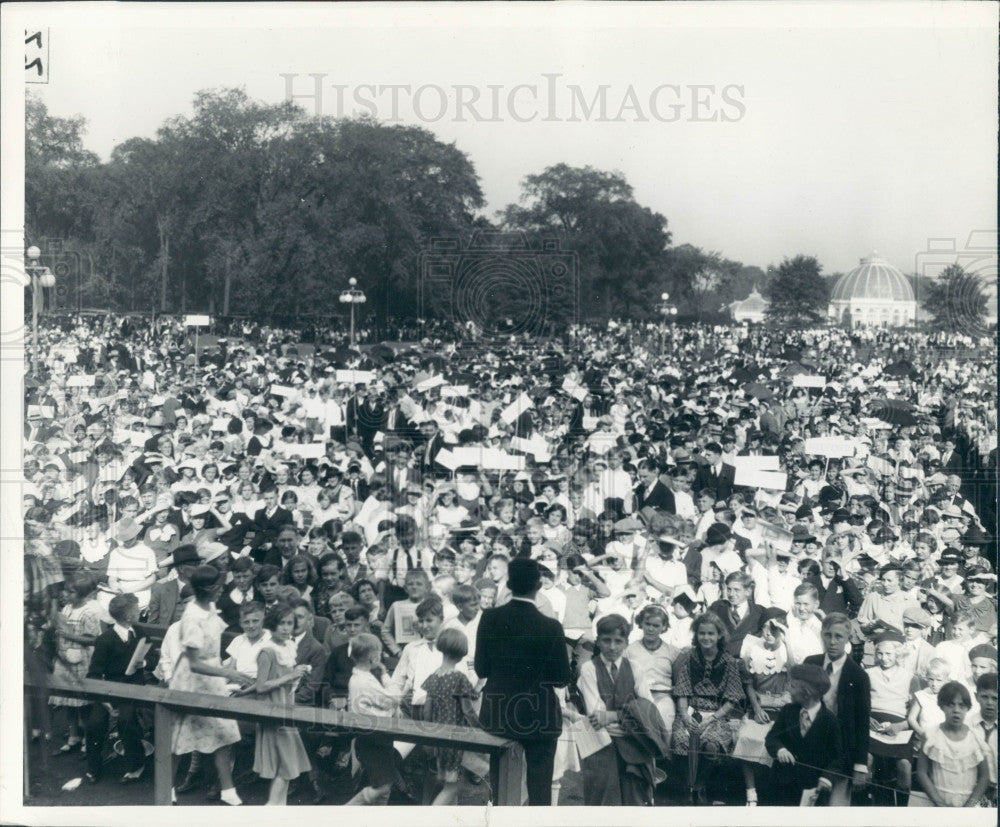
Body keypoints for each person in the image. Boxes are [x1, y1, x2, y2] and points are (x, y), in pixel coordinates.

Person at [475, 557, 572, 806]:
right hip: (539, 717)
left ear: (509, 583)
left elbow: (481, 668)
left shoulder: (490, 618)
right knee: (540, 790)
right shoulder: (551, 626)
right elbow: (561, 678)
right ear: (538, 585)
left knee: (500, 789)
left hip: (498, 715)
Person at [168, 565, 253, 806]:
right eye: (219, 586)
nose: (223, 589)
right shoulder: (192, 617)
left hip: (212, 681)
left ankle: (227, 790)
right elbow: (194, 664)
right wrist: (229, 673)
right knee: (179, 740)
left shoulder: (210, 607)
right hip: (190, 683)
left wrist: (223, 674)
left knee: (223, 734)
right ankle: (167, 789)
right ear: (210, 589)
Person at [578, 613, 666, 806]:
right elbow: (596, 715)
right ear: (598, 641)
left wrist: (614, 716)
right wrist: (632, 721)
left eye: (618, 641)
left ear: (626, 642)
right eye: (606, 640)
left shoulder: (635, 668)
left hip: (634, 744)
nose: (612, 647)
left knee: (635, 798)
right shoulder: (589, 669)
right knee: (602, 798)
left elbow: (648, 710)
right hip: (602, 743)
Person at [671, 611, 746, 805]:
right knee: (680, 739)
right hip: (690, 711)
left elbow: (732, 699)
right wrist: (685, 718)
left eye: (710, 633)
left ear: (719, 635)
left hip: (716, 715)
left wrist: (711, 719)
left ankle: (700, 786)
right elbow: (682, 692)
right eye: (701, 633)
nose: (706, 637)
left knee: (711, 744)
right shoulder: (689, 658)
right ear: (696, 635)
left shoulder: (729, 662)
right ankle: (687, 785)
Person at [244, 602, 312, 805]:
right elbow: (263, 686)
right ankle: (272, 808)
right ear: (273, 624)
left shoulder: (288, 646)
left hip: (286, 708)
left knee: (287, 766)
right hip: (273, 710)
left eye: (289, 623)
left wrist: (296, 673)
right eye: (281, 623)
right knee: (287, 766)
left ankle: (278, 807)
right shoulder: (268, 651)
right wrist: (291, 675)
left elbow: (270, 679)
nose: (285, 628)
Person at [804, 612, 871, 806]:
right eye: (828, 635)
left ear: (848, 639)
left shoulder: (857, 676)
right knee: (805, 804)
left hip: (841, 750)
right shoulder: (811, 663)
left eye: (838, 637)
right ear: (822, 635)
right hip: (809, 745)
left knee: (836, 808)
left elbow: (862, 722)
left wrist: (860, 766)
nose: (832, 642)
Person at [83, 593, 146, 784]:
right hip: (109, 690)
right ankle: (94, 766)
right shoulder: (106, 640)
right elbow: (93, 674)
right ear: (127, 616)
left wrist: (144, 663)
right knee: (95, 722)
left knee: (126, 720)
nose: (139, 611)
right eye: (136, 609)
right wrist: (106, 702)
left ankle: (136, 764)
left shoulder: (139, 632)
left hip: (133, 688)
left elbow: (150, 656)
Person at [734, 608, 791, 806]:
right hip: (759, 705)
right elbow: (749, 684)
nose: (768, 633)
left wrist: (786, 640)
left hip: (783, 708)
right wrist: (756, 709)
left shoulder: (786, 651)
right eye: (765, 628)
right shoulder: (753, 649)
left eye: (774, 630)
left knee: (778, 743)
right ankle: (751, 792)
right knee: (747, 737)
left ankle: (774, 791)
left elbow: (792, 673)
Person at [764, 662, 843, 806]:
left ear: (806, 694)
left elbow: (838, 758)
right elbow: (772, 737)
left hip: (811, 789)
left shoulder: (830, 721)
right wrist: (780, 749)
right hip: (781, 784)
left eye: (793, 686)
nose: (788, 689)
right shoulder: (788, 711)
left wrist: (827, 778)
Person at [420, 628, 481, 805]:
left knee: (448, 783)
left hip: (439, 738)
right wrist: (480, 729)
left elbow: (427, 711)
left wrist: (428, 736)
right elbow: (468, 711)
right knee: (453, 787)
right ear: (462, 654)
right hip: (455, 739)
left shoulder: (433, 677)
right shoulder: (459, 678)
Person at [346, 633, 405, 805]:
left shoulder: (361, 677)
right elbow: (393, 698)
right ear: (372, 657)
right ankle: (346, 811)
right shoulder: (365, 682)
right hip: (373, 739)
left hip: (376, 736)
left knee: (384, 789)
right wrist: (386, 675)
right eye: (379, 653)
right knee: (383, 787)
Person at [911, 681, 990, 806]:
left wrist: (970, 804)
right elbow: (921, 772)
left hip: (968, 804)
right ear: (942, 706)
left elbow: (984, 777)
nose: (956, 710)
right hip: (938, 802)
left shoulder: (976, 737)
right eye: (950, 705)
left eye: (961, 705)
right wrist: (938, 802)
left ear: (967, 708)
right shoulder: (931, 735)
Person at [49, 572, 103, 756]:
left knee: (83, 703)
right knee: (68, 701)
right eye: (65, 591)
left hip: (82, 661)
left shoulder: (89, 612)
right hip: (65, 660)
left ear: (81, 594)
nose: (66, 594)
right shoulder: (67, 609)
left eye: (70, 592)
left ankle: (88, 739)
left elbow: (93, 639)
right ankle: (73, 736)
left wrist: (68, 635)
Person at [968, 672, 998, 807]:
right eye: (984, 697)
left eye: (995, 698)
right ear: (976, 697)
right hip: (972, 789)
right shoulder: (967, 726)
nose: (989, 703)